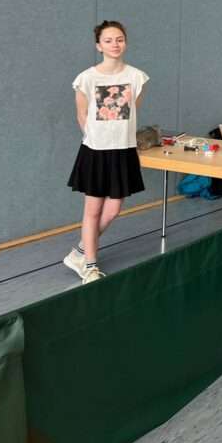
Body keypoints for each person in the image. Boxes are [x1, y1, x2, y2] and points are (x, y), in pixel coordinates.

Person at [64, 21, 148, 284]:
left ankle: (79, 252)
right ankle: (90, 266)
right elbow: (81, 114)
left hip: (123, 150)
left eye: (119, 39)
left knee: (112, 210)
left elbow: (132, 114)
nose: (115, 44)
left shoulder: (137, 77)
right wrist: (96, 139)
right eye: (108, 40)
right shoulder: (86, 78)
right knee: (92, 210)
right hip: (96, 151)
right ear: (98, 45)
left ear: (126, 42)